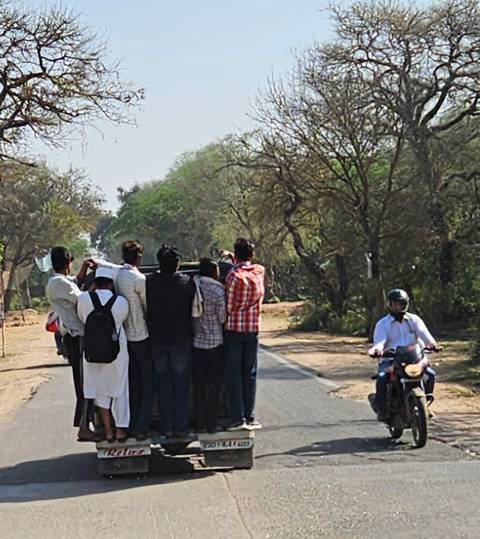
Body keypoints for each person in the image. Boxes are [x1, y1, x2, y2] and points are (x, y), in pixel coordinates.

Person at [46, 246, 98, 441]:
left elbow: (75, 283)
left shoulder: (59, 282)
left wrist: (84, 270)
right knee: (85, 383)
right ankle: (84, 426)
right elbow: (82, 299)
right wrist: (99, 287)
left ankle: (86, 423)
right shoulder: (59, 283)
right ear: (68, 263)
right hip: (76, 337)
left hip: (73, 337)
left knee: (84, 380)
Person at [368, 288, 441, 420]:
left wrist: (433, 344)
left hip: (414, 359)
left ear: (406, 304)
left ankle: (426, 404)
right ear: (389, 305)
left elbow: (424, 334)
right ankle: (382, 409)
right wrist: (377, 350)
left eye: (400, 304)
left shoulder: (414, 320)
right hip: (391, 360)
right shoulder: (383, 324)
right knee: (382, 377)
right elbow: (380, 341)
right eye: (395, 304)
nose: (398, 307)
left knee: (430, 374)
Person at [146, 244, 195, 437]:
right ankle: (181, 427)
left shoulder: (149, 282)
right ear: (177, 264)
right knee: (181, 385)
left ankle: (167, 426)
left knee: (163, 384)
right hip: (181, 341)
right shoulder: (186, 282)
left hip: (157, 341)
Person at [77, 267, 130, 443]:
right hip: (116, 353)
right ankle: (120, 430)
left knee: (100, 391)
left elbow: (82, 317)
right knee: (119, 390)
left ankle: (108, 431)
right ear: (111, 283)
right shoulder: (120, 301)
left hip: (92, 353)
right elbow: (122, 320)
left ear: (95, 282)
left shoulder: (84, 299)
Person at [112, 241, 153, 441]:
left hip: (124, 337)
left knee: (132, 383)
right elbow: (146, 305)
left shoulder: (118, 275)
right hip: (141, 334)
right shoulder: (138, 278)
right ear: (138, 257)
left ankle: (131, 423)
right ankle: (143, 426)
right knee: (148, 382)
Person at [224, 238, 265, 431]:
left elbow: (229, 305)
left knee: (234, 374)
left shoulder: (233, 276)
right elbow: (247, 268)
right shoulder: (259, 272)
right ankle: (250, 416)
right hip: (253, 328)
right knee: (249, 373)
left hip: (234, 329)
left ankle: (237, 418)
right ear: (252, 255)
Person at [192, 258, 227, 433]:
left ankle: (199, 421)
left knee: (198, 386)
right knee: (213, 387)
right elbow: (222, 318)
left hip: (197, 344)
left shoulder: (194, 285)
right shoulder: (218, 290)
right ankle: (211, 423)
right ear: (214, 272)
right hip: (215, 344)